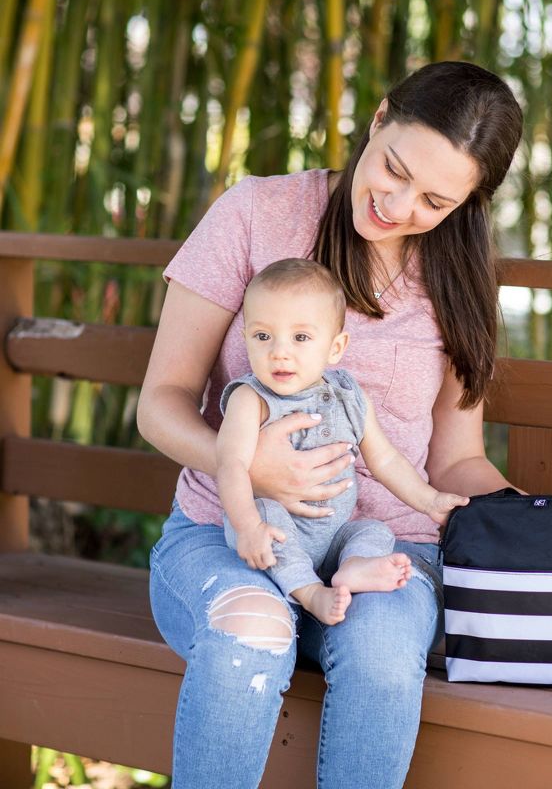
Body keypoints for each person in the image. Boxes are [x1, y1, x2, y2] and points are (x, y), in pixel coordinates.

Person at [138, 60, 523, 789]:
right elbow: (161, 400)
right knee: (252, 632)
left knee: (381, 656)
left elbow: (456, 457)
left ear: (470, 203)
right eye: (393, 169)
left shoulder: (460, 278)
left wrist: (520, 522)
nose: (397, 205)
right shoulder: (257, 212)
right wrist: (245, 464)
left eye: (434, 200)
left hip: (381, 552)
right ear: (378, 121)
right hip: (227, 537)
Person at [218, 258, 469, 625]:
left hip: (333, 534)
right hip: (272, 529)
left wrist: (429, 500)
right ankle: (309, 592)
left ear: (336, 347)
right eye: (262, 336)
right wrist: (246, 526)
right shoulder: (250, 399)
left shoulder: (348, 394)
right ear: (247, 339)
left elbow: (384, 460)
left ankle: (352, 567)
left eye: (300, 337)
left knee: (373, 530)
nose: (279, 352)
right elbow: (231, 465)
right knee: (269, 516)